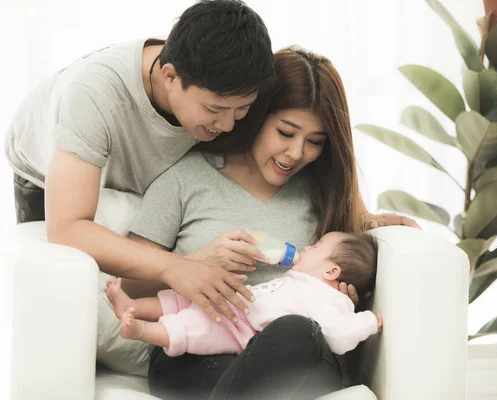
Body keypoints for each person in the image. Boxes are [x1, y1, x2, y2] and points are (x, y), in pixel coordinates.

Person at [126, 46, 418, 400]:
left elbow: (339, 295)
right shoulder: (185, 179)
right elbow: (130, 288)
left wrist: (346, 297)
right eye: (285, 132)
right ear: (256, 115)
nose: (296, 153)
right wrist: (196, 263)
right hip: (194, 353)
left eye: (314, 142)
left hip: (293, 353)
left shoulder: (323, 195)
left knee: (296, 332)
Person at [4, 0, 277, 319]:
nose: (228, 125)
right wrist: (176, 267)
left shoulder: (222, 82)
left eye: (241, 109)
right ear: (170, 76)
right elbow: (68, 229)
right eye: (214, 110)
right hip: (47, 175)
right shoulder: (92, 94)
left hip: (144, 177)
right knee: (64, 300)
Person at [105, 232, 383, 358]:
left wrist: (369, 321)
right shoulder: (299, 279)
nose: (308, 247)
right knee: (185, 298)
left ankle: (140, 330)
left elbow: (338, 335)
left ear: (332, 271)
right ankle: (133, 305)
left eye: (318, 246)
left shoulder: (331, 302)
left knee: (192, 326)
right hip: (238, 304)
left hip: (240, 330)